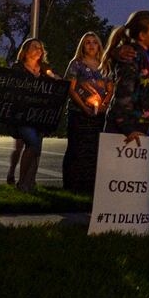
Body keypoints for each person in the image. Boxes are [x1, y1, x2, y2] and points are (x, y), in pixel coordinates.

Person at [103, 12, 149, 229]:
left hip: (140, 126)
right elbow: (124, 95)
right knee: (121, 179)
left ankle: (129, 226)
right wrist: (128, 127)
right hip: (127, 130)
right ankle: (116, 226)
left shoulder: (144, 55)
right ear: (142, 35)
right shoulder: (131, 57)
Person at [61, 32, 113, 192]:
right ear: (82, 46)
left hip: (99, 114)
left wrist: (104, 105)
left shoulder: (105, 64)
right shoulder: (76, 64)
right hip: (78, 112)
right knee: (77, 148)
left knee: (94, 149)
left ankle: (91, 185)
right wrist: (84, 107)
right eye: (87, 42)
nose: (91, 45)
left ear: (99, 45)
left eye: (94, 42)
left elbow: (110, 88)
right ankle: (72, 186)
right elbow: (70, 88)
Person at [5, 39, 56, 192]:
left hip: (39, 116)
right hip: (21, 116)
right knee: (31, 144)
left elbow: (53, 87)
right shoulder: (18, 68)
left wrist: (56, 80)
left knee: (36, 148)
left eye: (40, 47)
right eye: (35, 47)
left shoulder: (45, 69)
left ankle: (29, 182)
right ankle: (21, 182)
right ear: (26, 51)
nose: (39, 50)